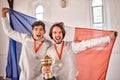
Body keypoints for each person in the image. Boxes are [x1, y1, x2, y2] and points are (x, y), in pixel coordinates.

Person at [43, 22, 117, 80]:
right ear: (51, 35)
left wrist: (108, 38)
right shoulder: (49, 51)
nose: (57, 35)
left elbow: (89, 43)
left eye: (60, 32)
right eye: (55, 32)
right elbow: (45, 68)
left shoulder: (72, 46)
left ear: (63, 34)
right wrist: (44, 70)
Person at [1, 7, 52, 80]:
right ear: (32, 31)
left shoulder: (48, 44)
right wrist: (3, 16)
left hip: (40, 77)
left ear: (44, 32)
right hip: (24, 76)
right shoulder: (25, 38)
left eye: (41, 30)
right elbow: (9, 32)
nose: (38, 32)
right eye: (36, 29)